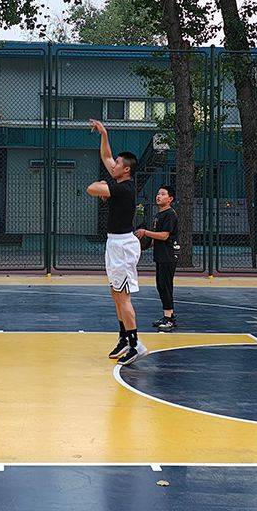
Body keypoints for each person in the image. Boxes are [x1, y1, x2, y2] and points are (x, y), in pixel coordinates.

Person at [86, 119, 145, 365]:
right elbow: (107, 157)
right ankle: (124, 337)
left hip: (123, 246)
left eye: (118, 164)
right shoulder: (120, 181)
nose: (113, 165)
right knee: (115, 293)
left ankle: (135, 344)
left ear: (126, 170)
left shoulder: (124, 188)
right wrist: (104, 134)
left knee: (123, 296)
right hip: (115, 244)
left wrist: (103, 184)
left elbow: (91, 188)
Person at [136, 184, 179, 330]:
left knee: (165, 286)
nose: (158, 196)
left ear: (170, 199)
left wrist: (145, 232)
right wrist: (141, 246)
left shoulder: (170, 214)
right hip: (160, 256)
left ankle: (169, 319)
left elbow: (164, 235)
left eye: (162, 194)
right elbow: (155, 239)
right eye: (158, 193)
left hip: (168, 256)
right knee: (161, 286)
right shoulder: (158, 214)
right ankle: (168, 315)